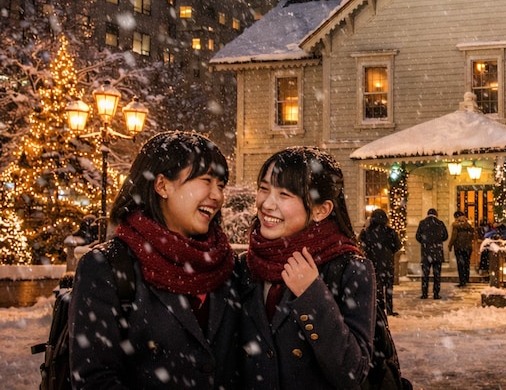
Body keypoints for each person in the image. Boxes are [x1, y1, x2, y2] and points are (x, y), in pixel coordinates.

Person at [68, 131, 241, 389]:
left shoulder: (228, 266)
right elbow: (95, 378)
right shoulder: (107, 267)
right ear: (162, 185)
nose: (217, 195)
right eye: (206, 180)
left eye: (221, 185)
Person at [238, 146, 374, 389]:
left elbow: (353, 373)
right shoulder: (245, 265)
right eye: (264, 189)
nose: (267, 204)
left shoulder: (350, 269)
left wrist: (312, 295)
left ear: (321, 210)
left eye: (285, 194)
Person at [359, 207, 402, 316]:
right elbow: (397, 246)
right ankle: (389, 309)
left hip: (373, 263)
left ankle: (378, 309)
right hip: (387, 263)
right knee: (388, 287)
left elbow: (362, 246)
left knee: (376, 288)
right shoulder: (390, 232)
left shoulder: (367, 232)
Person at [415, 208, 448, 299]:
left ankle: (424, 293)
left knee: (425, 274)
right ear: (436, 214)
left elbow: (417, 236)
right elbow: (445, 236)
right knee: (437, 275)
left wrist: (425, 242)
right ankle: (436, 294)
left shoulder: (422, 223)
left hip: (426, 253)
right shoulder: (440, 223)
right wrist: (437, 241)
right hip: (437, 253)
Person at [448, 210, 475, 287]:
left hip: (459, 247)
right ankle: (466, 279)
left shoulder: (456, 225)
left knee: (460, 264)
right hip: (468, 247)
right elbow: (473, 236)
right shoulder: (469, 225)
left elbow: (454, 237)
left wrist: (450, 245)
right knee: (467, 263)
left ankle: (462, 281)